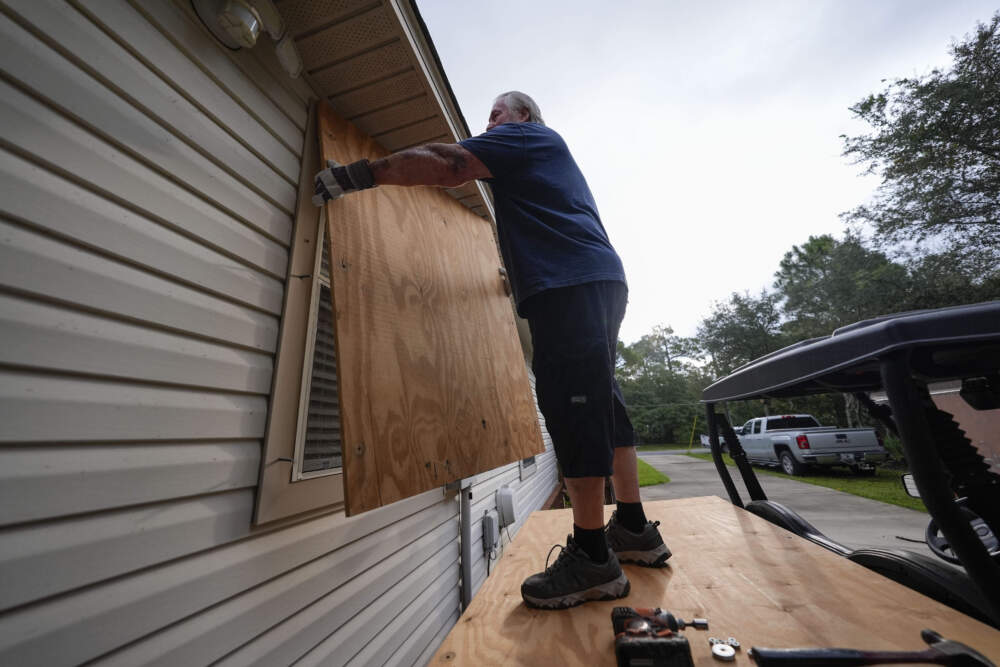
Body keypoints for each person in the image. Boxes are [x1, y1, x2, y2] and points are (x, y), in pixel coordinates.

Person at [313, 91, 670, 609]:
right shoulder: (540, 169)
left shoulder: (524, 137)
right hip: (589, 280)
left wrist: (358, 175)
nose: (490, 122)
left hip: (569, 285)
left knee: (574, 406)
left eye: (498, 113)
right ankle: (634, 529)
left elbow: (453, 162)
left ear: (522, 117)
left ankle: (594, 557)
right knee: (601, 401)